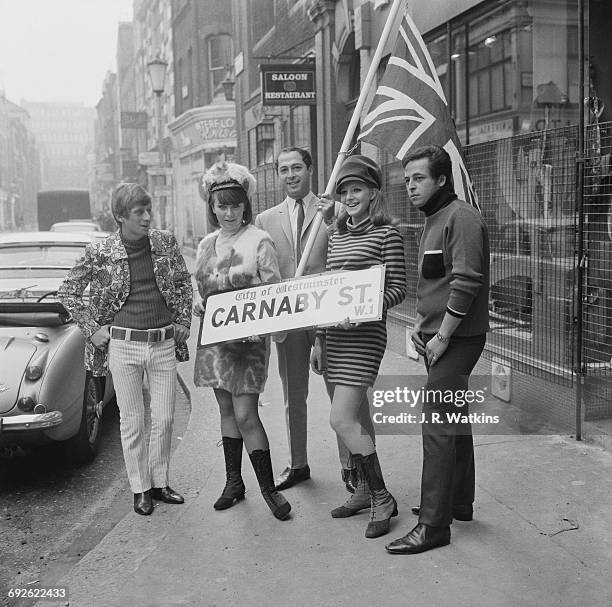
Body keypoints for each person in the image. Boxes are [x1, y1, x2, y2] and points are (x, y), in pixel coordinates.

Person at [58, 183, 192, 516]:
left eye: (148, 210)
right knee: (132, 420)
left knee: (164, 417)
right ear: (121, 216)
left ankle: (160, 482)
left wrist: (184, 322)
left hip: (162, 343)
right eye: (139, 212)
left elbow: (183, 283)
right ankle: (140, 489)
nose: (147, 217)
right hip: (123, 346)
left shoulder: (165, 243)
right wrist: (93, 330)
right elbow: (68, 291)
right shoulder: (101, 251)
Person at [385, 145, 489, 555]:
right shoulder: (433, 219)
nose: (410, 186)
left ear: (442, 179)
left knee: (437, 426)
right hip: (439, 338)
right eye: (407, 179)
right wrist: (419, 326)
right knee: (454, 421)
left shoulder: (460, 217)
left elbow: (466, 282)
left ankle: (433, 524)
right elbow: (434, 284)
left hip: (457, 340)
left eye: (419, 178)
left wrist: (442, 335)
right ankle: (458, 502)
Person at [312, 155, 407, 538]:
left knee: (341, 419)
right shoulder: (335, 235)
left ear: (373, 193)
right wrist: (319, 338)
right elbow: (328, 290)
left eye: (357, 190)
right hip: (335, 336)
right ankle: (364, 490)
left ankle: (382, 497)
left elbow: (399, 289)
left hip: (364, 337)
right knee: (351, 420)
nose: (350, 197)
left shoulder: (388, 234)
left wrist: (366, 307)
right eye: (344, 191)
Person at [193, 161, 291, 521]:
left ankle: (268, 490)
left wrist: (265, 327)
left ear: (244, 205)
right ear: (213, 207)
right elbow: (199, 289)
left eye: (235, 205)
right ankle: (234, 483)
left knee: (247, 414)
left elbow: (274, 290)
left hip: (248, 342)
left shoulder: (259, 241)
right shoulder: (206, 244)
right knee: (225, 411)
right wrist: (198, 302)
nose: (229, 212)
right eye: (222, 206)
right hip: (215, 340)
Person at [255, 147, 355, 492]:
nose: (290, 175)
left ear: (310, 169)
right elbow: (262, 271)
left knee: (339, 394)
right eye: (284, 169)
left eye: (297, 167)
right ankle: (298, 464)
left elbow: (349, 252)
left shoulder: (334, 210)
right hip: (288, 319)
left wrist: (333, 220)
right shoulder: (266, 221)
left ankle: (350, 466)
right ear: (278, 174)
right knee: (292, 396)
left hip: (328, 317)